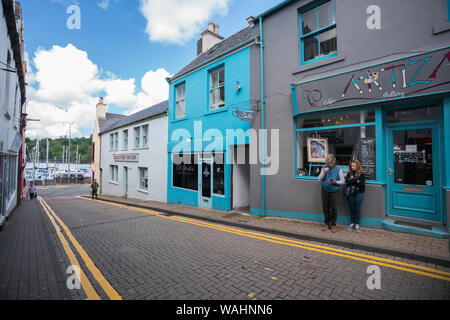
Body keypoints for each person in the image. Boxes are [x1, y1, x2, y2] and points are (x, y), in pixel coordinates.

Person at [318, 154, 345, 233]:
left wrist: (335, 182)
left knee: (334, 209)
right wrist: (323, 172)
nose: (330, 164)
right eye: (328, 163)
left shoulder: (338, 169)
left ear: (334, 162)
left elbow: (343, 181)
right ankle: (326, 224)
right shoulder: (324, 168)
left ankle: (333, 224)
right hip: (325, 191)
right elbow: (318, 179)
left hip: (335, 192)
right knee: (325, 208)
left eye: (331, 163)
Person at [345, 160, 366, 233]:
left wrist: (352, 180)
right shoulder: (349, 173)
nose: (352, 167)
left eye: (353, 166)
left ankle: (357, 224)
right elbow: (347, 182)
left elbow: (361, 184)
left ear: (357, 166)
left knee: (357, 208)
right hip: (351, 193)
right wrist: (356, 180)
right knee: (351, 208)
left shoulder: (362, 174)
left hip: (359, 193)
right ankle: (352, 223)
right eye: (351, 166)